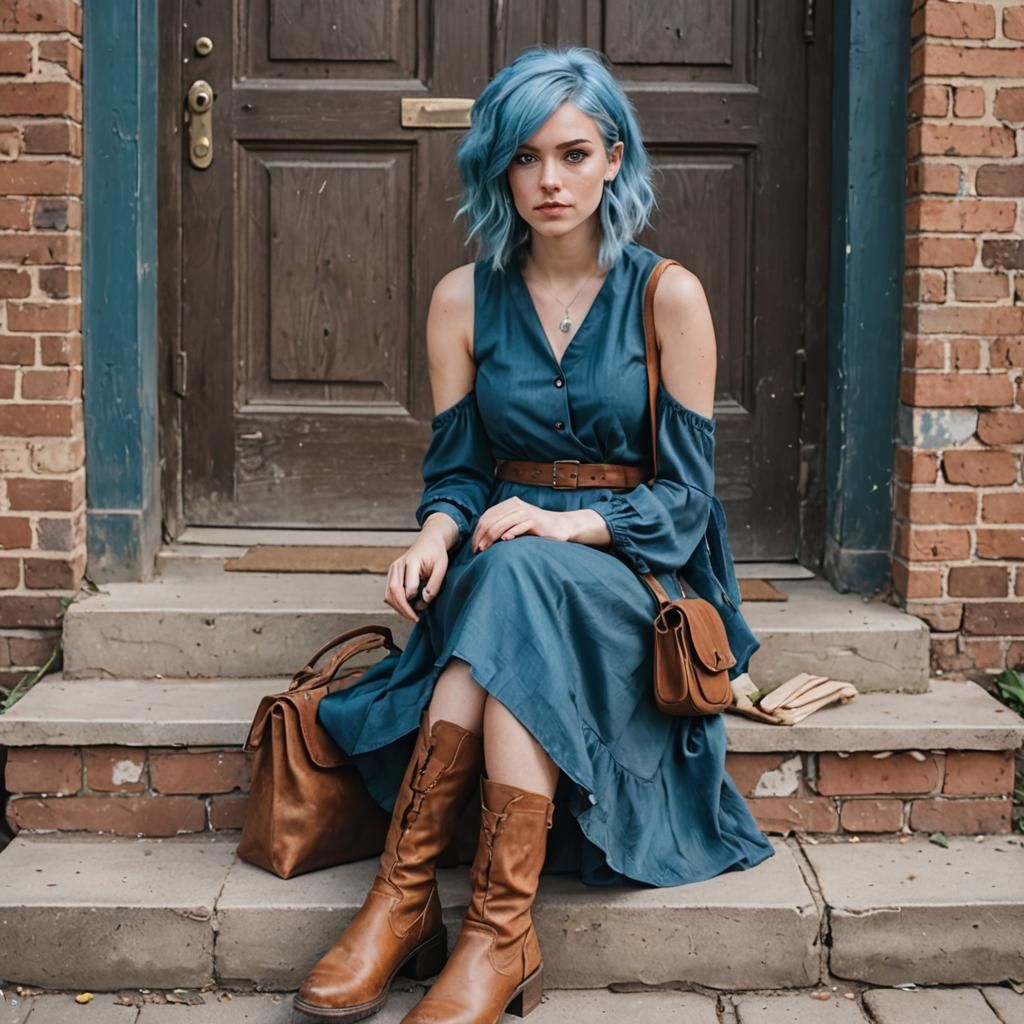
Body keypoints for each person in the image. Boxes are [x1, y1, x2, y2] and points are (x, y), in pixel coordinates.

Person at [295, 45, 774, 1024]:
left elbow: (687, 501)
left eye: (572, 153)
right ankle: (492, 931)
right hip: (501, 567)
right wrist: (432, 535)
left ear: (612, 161)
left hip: (632, 573)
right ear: (497, 169)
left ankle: (413, 899)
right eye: (524, 158)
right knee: (512, 580)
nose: (548, 181)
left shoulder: (666, 296)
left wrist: (567, 522)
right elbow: (461, 471)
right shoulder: (462, 300)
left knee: (521, 579)